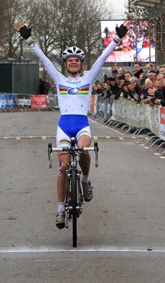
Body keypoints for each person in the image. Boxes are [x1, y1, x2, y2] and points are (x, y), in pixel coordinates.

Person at [17, 21, 128, 229]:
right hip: (64, 126)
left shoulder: (88, 77)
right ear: (66, 63)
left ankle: (85, 180)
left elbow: (103, 57)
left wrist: (117, 38)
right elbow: (43, 58)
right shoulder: (59, 79)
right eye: (70, 60)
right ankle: (60, 209)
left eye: (77, 60)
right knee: (64, 166)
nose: (74, 62)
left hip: (82, 124)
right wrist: (28, 39)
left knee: (84, 147)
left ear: (81, 63)